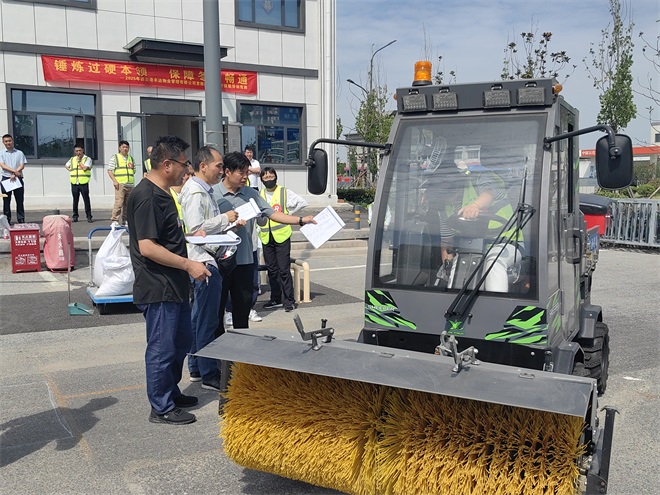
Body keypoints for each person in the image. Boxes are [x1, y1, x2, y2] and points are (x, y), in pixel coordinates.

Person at [127, 135, 210, 425]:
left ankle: (170, 392)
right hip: (158, 285)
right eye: (184, 165)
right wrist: (189, 264)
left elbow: (166, 237)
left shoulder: (164, 193)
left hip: (174, 284)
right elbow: (147, 247)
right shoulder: (147, 196)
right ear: (166, 164)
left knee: (180, 343)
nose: (187, 170)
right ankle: (161, 406)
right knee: (162, 349)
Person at [214, 152, 316, 330]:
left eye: (247, 172)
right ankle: (217, 346)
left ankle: (241, 345)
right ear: (227, 172)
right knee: (216, 311)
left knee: (242, 311)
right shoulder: (213, 193)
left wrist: (300, 220)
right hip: (219, 262)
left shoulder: (251, 193)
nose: (245, 177)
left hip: (244, 260)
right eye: (241, 173)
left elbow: (272, 214)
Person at [179, 146, 242, 392]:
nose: (221, 171)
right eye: (218, 166)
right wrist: (225, 218)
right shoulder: (196, 192)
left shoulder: (203, 190)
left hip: (205, 259)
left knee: (199, 319)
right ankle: (209, 373)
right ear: (203, 166)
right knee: (206, 321)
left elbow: (206, 227)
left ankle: (197, 367)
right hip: (203, 263)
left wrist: (229, 227)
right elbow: (196, 229)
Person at [259, 166, 308, 312]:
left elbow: (302, 202)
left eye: (271, 176)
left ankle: (289, 301)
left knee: (284, 269)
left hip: (282, 235)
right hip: (266, 236)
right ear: (261, 179)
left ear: (276, 177)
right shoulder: (259, 194)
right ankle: (275, 299)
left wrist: (288, 215)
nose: (268, 179)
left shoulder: (283, 192)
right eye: (265, 177)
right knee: (272, 270)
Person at [1, 134, 27, 225]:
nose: (8, 143)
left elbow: (22, 165)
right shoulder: (1, 153)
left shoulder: (19, 153)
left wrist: (15, 174)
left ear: (12, 141)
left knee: (19, 200)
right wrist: (14, 172)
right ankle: (7, 220)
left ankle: (21, 219)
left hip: (17, 179)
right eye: (6, 141)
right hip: (6, 179)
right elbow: (3, 166)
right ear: (3, 142)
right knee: (6, 200)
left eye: (9, 141)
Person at [108, 140, 135, 225]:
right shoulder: (115, 157)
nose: (125, 149)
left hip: (130, 184)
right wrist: (115, 181)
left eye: (127, 147)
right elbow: (110, 170)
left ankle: (125, 220)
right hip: (120, 184)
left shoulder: (131, 158)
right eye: (123, 147)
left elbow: (133, 170)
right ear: (119, 148)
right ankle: (115, 220)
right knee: (119, 202)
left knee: (128, 204)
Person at [64, 145, 93, 223]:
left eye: (79, 150)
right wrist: (70, 170)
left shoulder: (87, 159)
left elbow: (85, 168)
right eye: (76, 151)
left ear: (83, 150)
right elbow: (66, 165)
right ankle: (75, 216)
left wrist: (79, 161)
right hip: (74, 182)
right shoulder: (72, 159)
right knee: (75, 200)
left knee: (86, 200)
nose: (78, 152)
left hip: (83, 182)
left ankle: (89, 216)